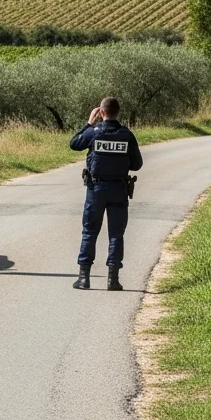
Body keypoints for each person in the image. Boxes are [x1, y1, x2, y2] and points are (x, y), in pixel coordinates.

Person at [69, 96, 143, 290]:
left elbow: (74, 143)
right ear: (118, 112)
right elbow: (137, 164)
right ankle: (113, 280)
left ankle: (84, 279)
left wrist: (88, 123)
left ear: (101, 112)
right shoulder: (126, 135)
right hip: (119, 189)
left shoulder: (93, 132)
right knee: (116, 234)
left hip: (96, 189)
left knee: (89, 232)